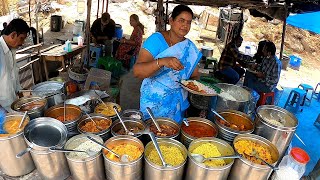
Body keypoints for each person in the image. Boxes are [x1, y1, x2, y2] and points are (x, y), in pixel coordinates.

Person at [133, 5, 202, 123]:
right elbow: (137, 71)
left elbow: (195, 75)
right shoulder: (156, 40)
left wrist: (191, 85)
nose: (185, 25)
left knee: (171, 137)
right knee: (151, 135)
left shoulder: (190, 48)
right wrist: (163, 61)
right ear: (171, 21)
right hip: (153, 103)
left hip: (176, 105)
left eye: (189, 22)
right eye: (181, 20)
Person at [0, 19, 29, 110]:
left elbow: (13, 77)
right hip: (3, 110)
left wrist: (22, 93)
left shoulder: (12, 50)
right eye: (21, 38)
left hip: (13, 105)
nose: (22, 43)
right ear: (13, 35)